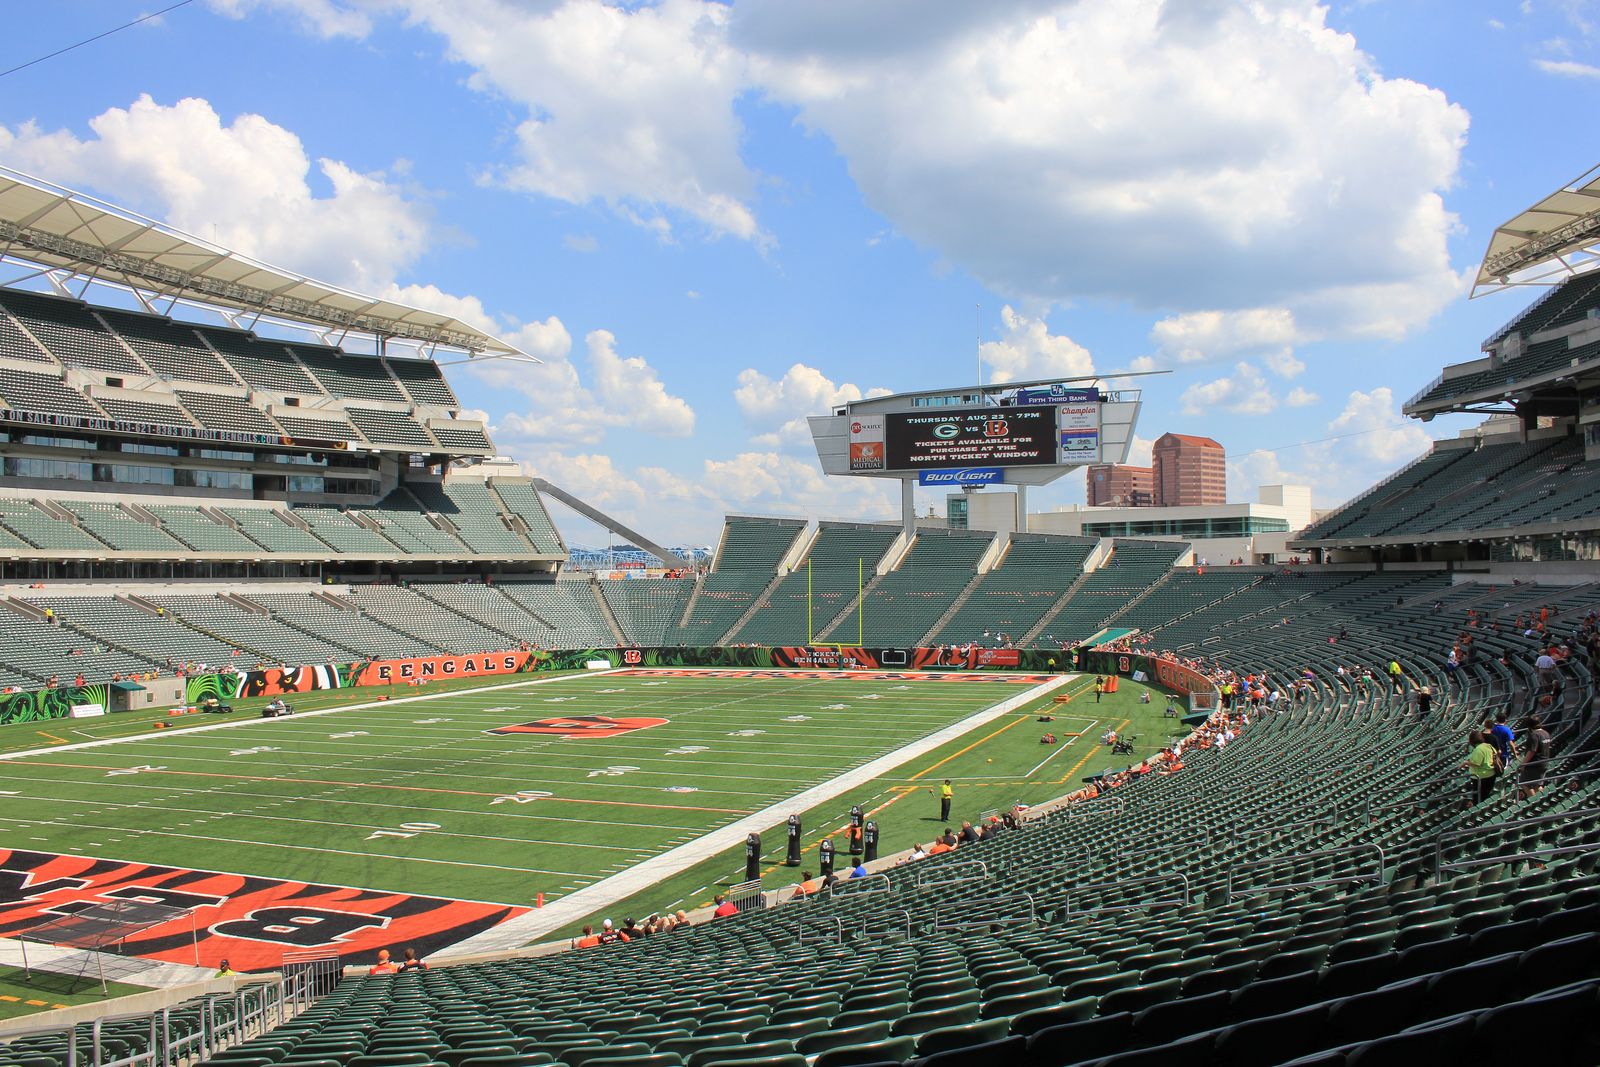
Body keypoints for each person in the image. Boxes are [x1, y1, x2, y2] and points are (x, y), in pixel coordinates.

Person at [1520, 715, 1552, 799]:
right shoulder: (1546, 733)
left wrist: (1523, 764)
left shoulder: (1534, 735)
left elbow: (1532, 751)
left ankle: (1534, 801)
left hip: (1534, 764)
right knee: (1537, 786)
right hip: (1544, 763)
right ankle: (1542, 800)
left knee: (1524, 783)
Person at [1466, 730, 1498, 805]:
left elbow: (1476, 763)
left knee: (1478, 798)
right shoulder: (1489, 746)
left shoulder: (1478, 749)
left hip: (1481, 776)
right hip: (1491, 774)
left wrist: (1466, 763)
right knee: (1485, 796)